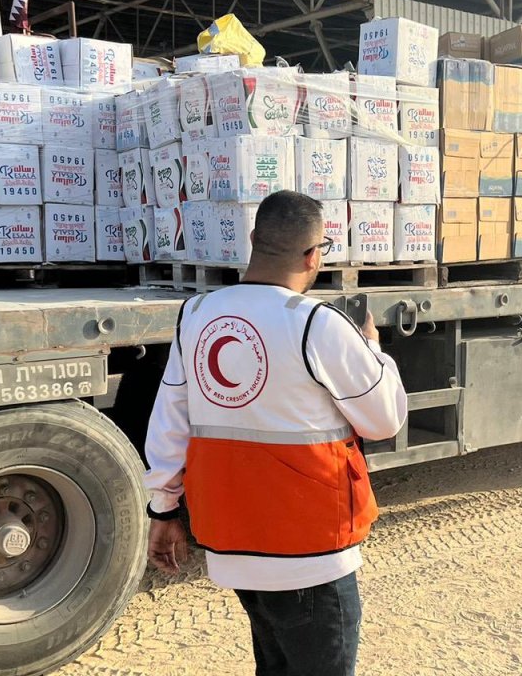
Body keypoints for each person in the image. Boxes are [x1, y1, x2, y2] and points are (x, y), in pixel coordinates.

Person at [142, 190, 408, 676]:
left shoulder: (197, 316)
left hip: (234, 542)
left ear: (253, 241)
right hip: (309, 550)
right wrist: (375, 350)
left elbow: (169, 424)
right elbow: (384, 420)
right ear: (313, 256)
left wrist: (162, 509)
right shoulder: (316, 323)